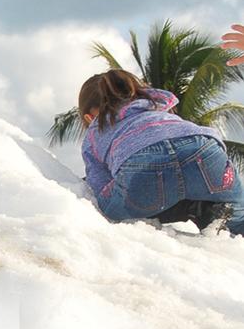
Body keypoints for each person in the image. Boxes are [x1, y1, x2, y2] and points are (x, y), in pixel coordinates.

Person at [77, 70, 238, 231]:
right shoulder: (156, 106)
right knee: (237, 207)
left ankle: (190, 209)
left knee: (110, 207)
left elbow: (98, 184)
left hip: (143, 163)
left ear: (89, 117)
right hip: (204, 149)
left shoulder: (94, 132)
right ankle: (209, 211)